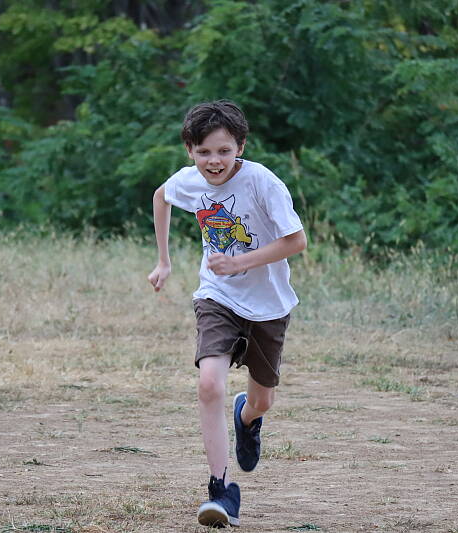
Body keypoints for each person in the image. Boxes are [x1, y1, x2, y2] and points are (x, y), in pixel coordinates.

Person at [147, 100, 307, 528]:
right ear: (190, 150)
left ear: (241, 147)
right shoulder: (189, 181)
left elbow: (296, 241)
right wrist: (163, 261)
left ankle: (247, 418)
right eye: (203, 152)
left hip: (268, 304)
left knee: (262, 400)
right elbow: (161, 197)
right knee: (208, 384)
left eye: (223, 150)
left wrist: (240, 262)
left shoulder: (262, 182)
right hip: (217, 296)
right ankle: (221, 490)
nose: (214, 161)